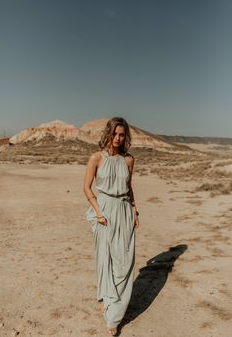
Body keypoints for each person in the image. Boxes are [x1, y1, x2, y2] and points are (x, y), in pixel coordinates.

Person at [83, 117, 139, 336]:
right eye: (115, 134)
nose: (118, 138)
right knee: (105, 259)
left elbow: (129, 187)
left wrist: (135, 210)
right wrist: (98, 212)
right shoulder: (96, 158)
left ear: (126, 136)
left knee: (125, 262)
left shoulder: (129, 160)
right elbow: (87, 188)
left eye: (122, 134)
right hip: (104, 211)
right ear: (108, 133)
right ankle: (111, 312)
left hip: (124, 210)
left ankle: (113, 307)